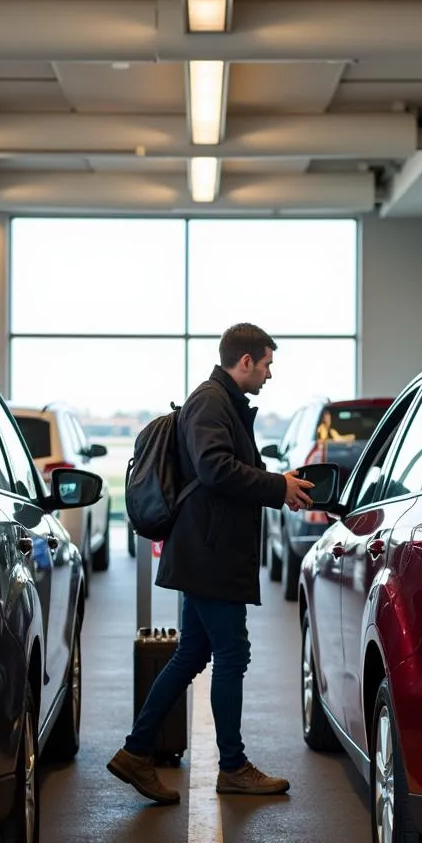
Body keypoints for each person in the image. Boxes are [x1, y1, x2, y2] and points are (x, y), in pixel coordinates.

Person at [107, 323, 315, 805]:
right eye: (265, 364)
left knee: (192, 654)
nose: (268, 374)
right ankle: (233, 766)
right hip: (209, 553)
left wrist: (275, 485)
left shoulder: (222, 402)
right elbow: (215, 468)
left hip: (207, 550)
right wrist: (275, 486)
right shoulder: (211, 401)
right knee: (232, 653)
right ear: (244, 360)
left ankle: (137, 751)